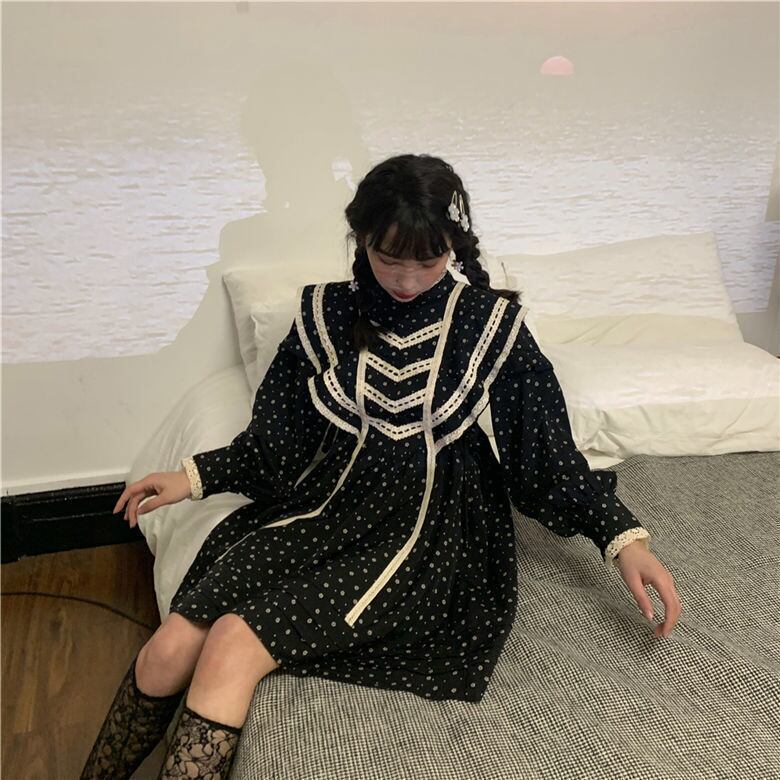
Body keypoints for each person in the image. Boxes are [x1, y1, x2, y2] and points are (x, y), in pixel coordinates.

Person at [80, 153, 682, 779]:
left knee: (234, 641)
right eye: (390, 258)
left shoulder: (491, 325)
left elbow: (546, 458)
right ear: (361, 238)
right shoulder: (324, 314)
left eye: (429, 259)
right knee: (168, 648)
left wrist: (621, 538)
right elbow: (277, 443)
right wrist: (193, 477)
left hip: (429, 528)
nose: (408, 280)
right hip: (328, 505)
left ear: (453, 246)